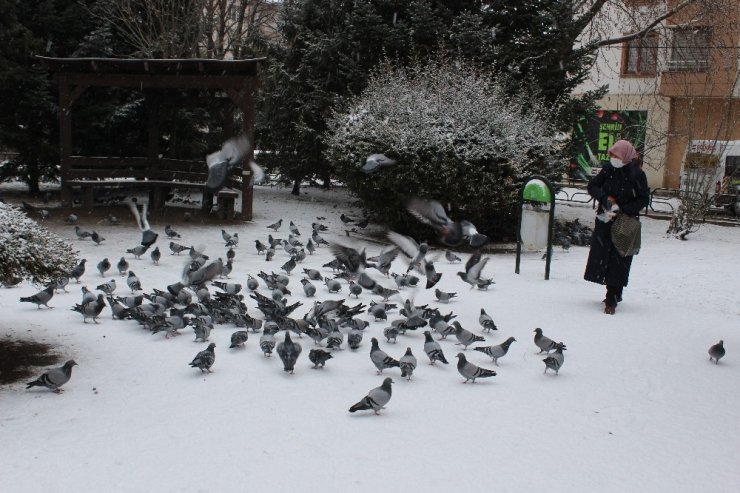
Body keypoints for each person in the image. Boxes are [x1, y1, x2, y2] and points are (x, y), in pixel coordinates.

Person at [584, 140, 650, 314]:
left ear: (626, 156)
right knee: (603, 255)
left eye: (617, 155)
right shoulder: (608, 170)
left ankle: (612, 297)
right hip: (606, 218)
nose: (613, 158)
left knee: (619, 259)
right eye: (612, 155)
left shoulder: (638, 174)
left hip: (626, 221)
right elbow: (593, 186)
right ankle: (613, 291)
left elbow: (643, 198)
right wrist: (606, 200)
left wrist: (624, 209)